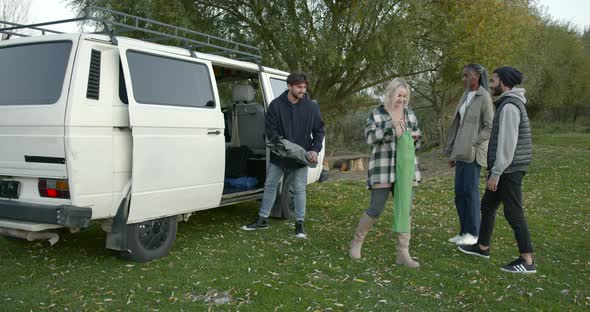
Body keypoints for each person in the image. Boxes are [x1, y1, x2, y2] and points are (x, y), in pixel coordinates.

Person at [458, 66, 536, 274]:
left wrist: (496, 172)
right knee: (488, 205)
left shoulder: (510, 106)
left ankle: (527, 259)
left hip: (509, 169)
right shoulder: (507, 104)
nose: (490, 84)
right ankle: (482, 247)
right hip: (505, 168)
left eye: (493, 81)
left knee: (513, 212)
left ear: (504, 82)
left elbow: (507, 145)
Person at [348, 77, 422, 268]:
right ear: (390, 94)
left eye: (405, 96)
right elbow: (370, 138)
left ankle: (403, 253)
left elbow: (419, 140)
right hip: (383, 168)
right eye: (399, 95)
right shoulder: (377, 113)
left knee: (405, 209)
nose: (402, 100)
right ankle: (357, 242)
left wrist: (415, 138)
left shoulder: (410, 114)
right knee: (376, 208)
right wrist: (390, 128)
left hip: (406, 170)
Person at [241, 72, 325, 238]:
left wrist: (315, 149)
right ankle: (262, 219)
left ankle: (299, 224)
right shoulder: (275, 105)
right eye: (299, 87)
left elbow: (319, 130)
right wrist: (282, 145)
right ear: (289, 86)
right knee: (270, 185)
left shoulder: (311, 107)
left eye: (304, 87)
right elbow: (270, 130)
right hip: (279, 155)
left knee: (300, 189)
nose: (303, 90)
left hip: (301, 157)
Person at [444, 64, 493, 245]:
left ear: (477, 76)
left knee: (470, 192)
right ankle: (463, 231)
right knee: (459, 192)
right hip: (460, 153)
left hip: (473, 153)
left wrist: (475, 142)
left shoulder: (484, 97)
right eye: (462, 75)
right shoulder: (465, 96)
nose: (463, 79)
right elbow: (458, 126)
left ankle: (473, 234)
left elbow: (489, 126)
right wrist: (452, 152)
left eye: (466, 76)